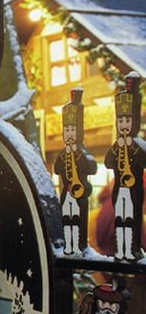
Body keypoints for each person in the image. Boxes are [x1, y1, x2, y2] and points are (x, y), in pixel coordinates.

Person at [104, 73, 145, 261]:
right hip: (119, 189)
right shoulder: (117, 145)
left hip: (133, 190)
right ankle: (121, 248)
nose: (124, 125)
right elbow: (107, 163)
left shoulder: (137, 145)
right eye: (120, 121)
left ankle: (132, 248)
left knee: (132, 220)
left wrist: (131, 148)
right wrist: (117, 150)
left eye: (127, 121)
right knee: (120, 220)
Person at [55, 88, 95, 256]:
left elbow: (92, 167)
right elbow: (57, 169)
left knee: (78, 220)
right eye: (67, 130)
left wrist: (78, 156)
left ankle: (78, 244)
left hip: (79, 192)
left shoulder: (81, 153)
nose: (69, 134)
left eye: (72, 130)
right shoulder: (64, 153)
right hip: (67, 193)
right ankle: (69, 246)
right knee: (67, 220)